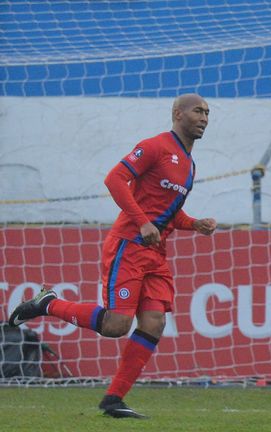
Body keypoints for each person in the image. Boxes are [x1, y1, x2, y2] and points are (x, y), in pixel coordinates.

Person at [9, 93, 217, 418]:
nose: (204, 117)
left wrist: (196, 224)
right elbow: (114, 179)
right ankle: (47, 304)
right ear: (178, 113)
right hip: (129, 245)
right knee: (116, 325)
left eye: (207, 112)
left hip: (156, 254)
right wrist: (141, 221)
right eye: (197, 111)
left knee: (154, 322)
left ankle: (113, 400)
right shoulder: (155, 146)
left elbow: (170, 213)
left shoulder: (189, 165)